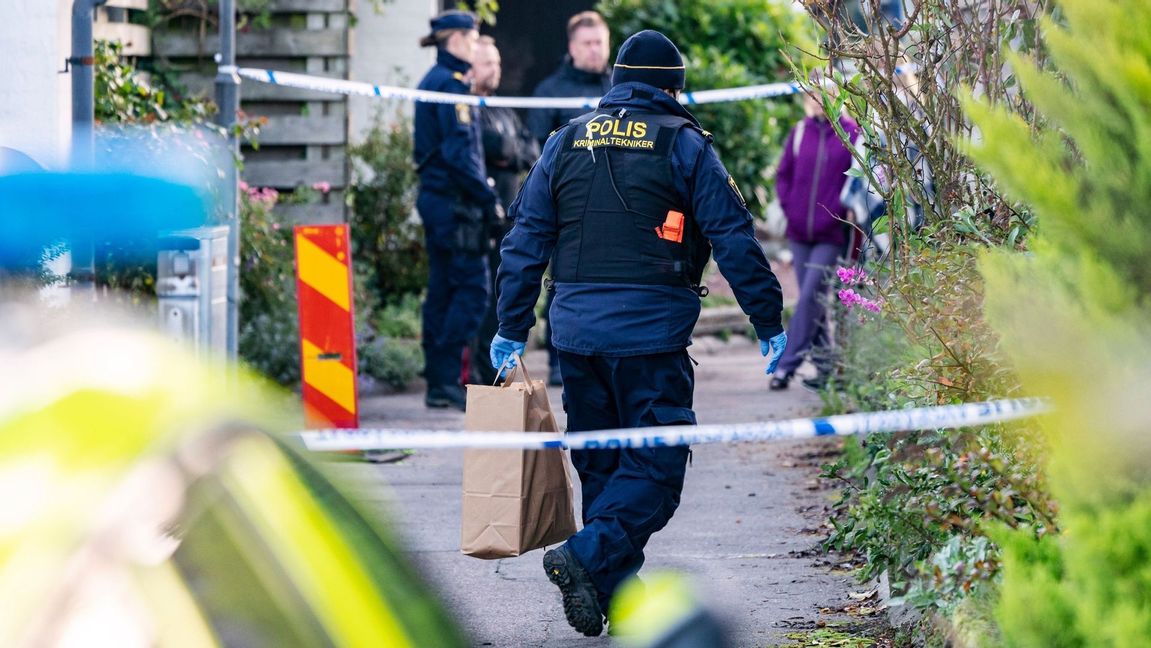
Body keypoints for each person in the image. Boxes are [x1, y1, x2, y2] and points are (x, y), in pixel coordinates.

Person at [489, 30, 788, 637]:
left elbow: (523, 240)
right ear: (673, 86)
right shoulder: (685, 145)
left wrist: (510, 326)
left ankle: (616, 594)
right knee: (656, 467)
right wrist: (767, 317)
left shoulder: (566, 140)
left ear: (618, 80)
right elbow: (733, 236)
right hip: (650, 337)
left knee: (602, 463)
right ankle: (585, 557)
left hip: (575, 337)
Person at [413, 10, 500, 411]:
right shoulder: (451, 86)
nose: (476, 44)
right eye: (473, 37)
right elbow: (461, 153)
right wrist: (488, 198)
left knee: (444, 289)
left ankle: (440, 379)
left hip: (440, 202)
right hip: (455, 205)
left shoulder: (437, 81)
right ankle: (446, 376)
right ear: (457, 39)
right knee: (473, 289)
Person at [526, 10, 614, 387]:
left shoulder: (618, 87)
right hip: (568, 209)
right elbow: (535, 153)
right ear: (572, 47)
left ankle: (609, 358)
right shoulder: (550, 92)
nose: (595, 51)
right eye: (588, 43)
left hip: (617, 208)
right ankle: (560, 363)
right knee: (563, 285)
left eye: (600, 42)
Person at [770, 88, 861, 391]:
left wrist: (841, 209)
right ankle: (826, 369)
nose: (815, 100)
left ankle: (786, 366)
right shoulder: (799, 132)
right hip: (799, 233)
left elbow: (856, 180)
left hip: (831, 234)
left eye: (823, 94)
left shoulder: (851, 134)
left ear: (836, 98)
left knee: (809, 297)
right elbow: (783, 175)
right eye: (811, 95)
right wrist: (789, 206)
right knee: (816, 303)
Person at [468, 36, 541, 385]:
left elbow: (529, 150)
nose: (495, 70)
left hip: (507, 223)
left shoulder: (503, 109)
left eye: (497, 62)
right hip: (477, 222)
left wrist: (507, 152)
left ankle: (497, 371)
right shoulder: (467, 108)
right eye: (487, 63)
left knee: (501, 295)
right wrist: (508, 150)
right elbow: (489, 146)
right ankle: (479, 373)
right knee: (478, 300)